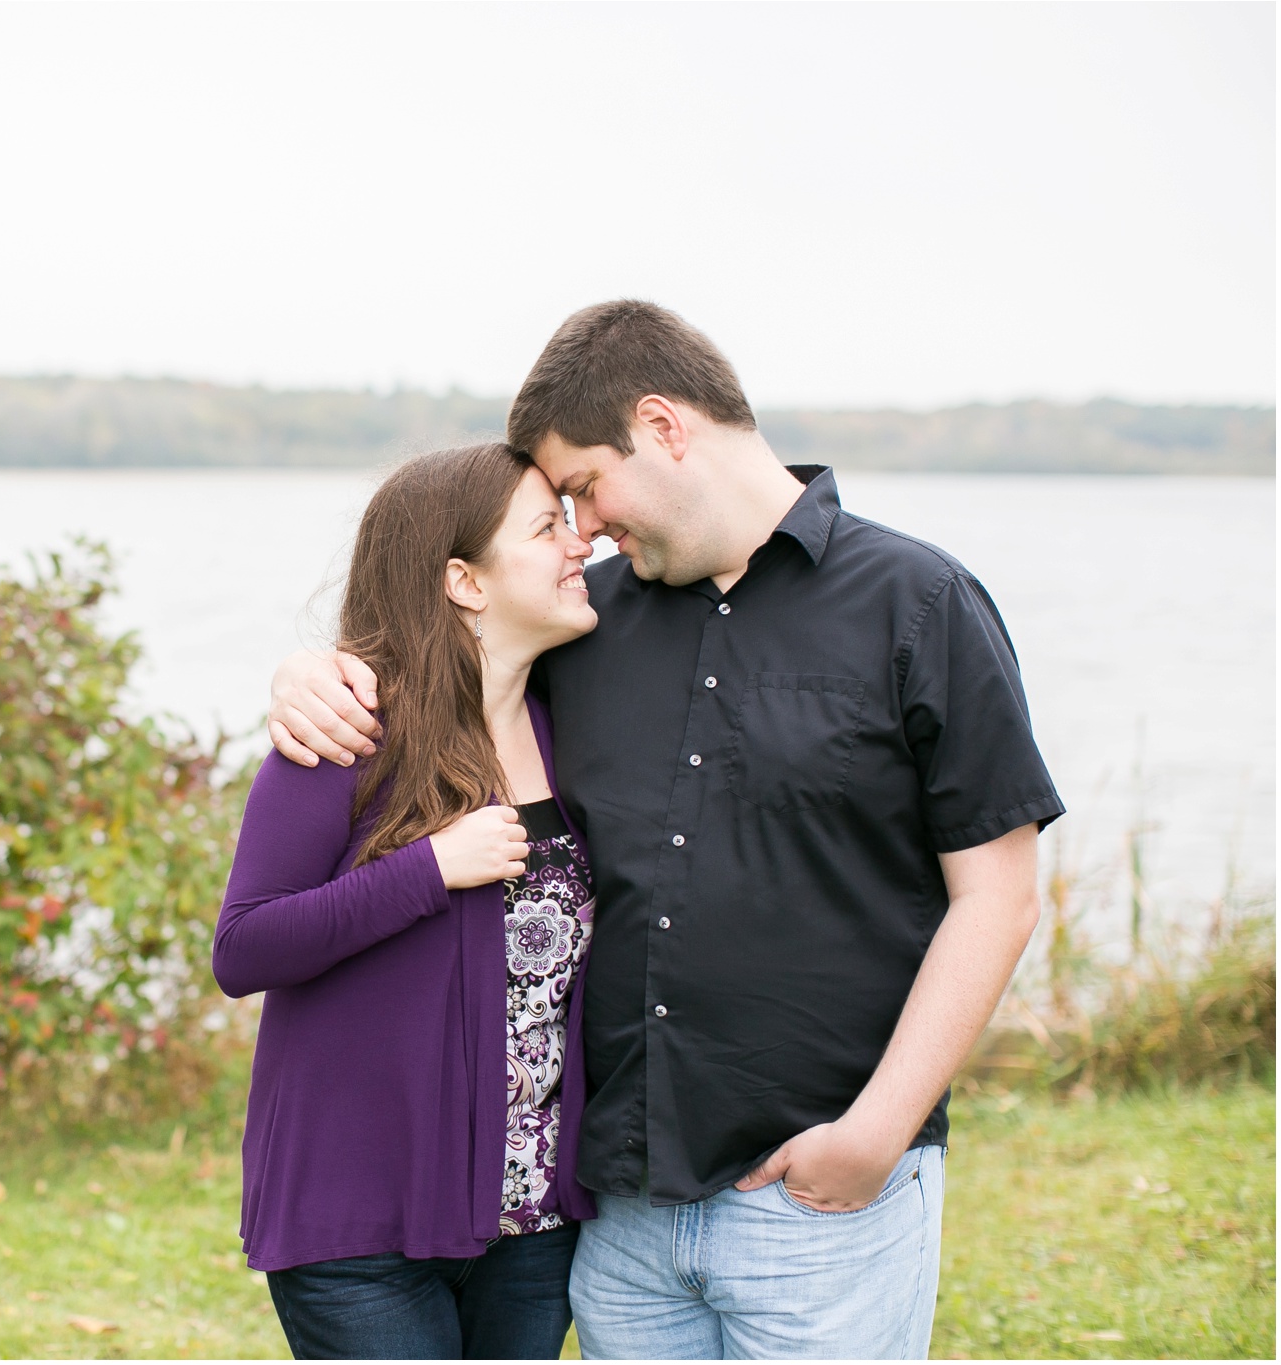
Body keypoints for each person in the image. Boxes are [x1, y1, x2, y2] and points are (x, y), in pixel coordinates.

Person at [267, 301, 1062, 1360]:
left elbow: (996, 896)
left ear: (663, 425)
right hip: (618, 1222)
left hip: (820, 1202)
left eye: (585, 487)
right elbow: (434, 668)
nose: (583, 526)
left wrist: (874, 1136)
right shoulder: (580, 623)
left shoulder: (917, 604)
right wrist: (307, 673)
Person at [215, 442, 603, 1359]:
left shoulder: (571, 715)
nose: (579, 543)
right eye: (548, 526)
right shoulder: (348, 730)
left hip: (533, 1222)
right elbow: (245, 947)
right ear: (464, 580)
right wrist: (425, 871)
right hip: (359, 1225)